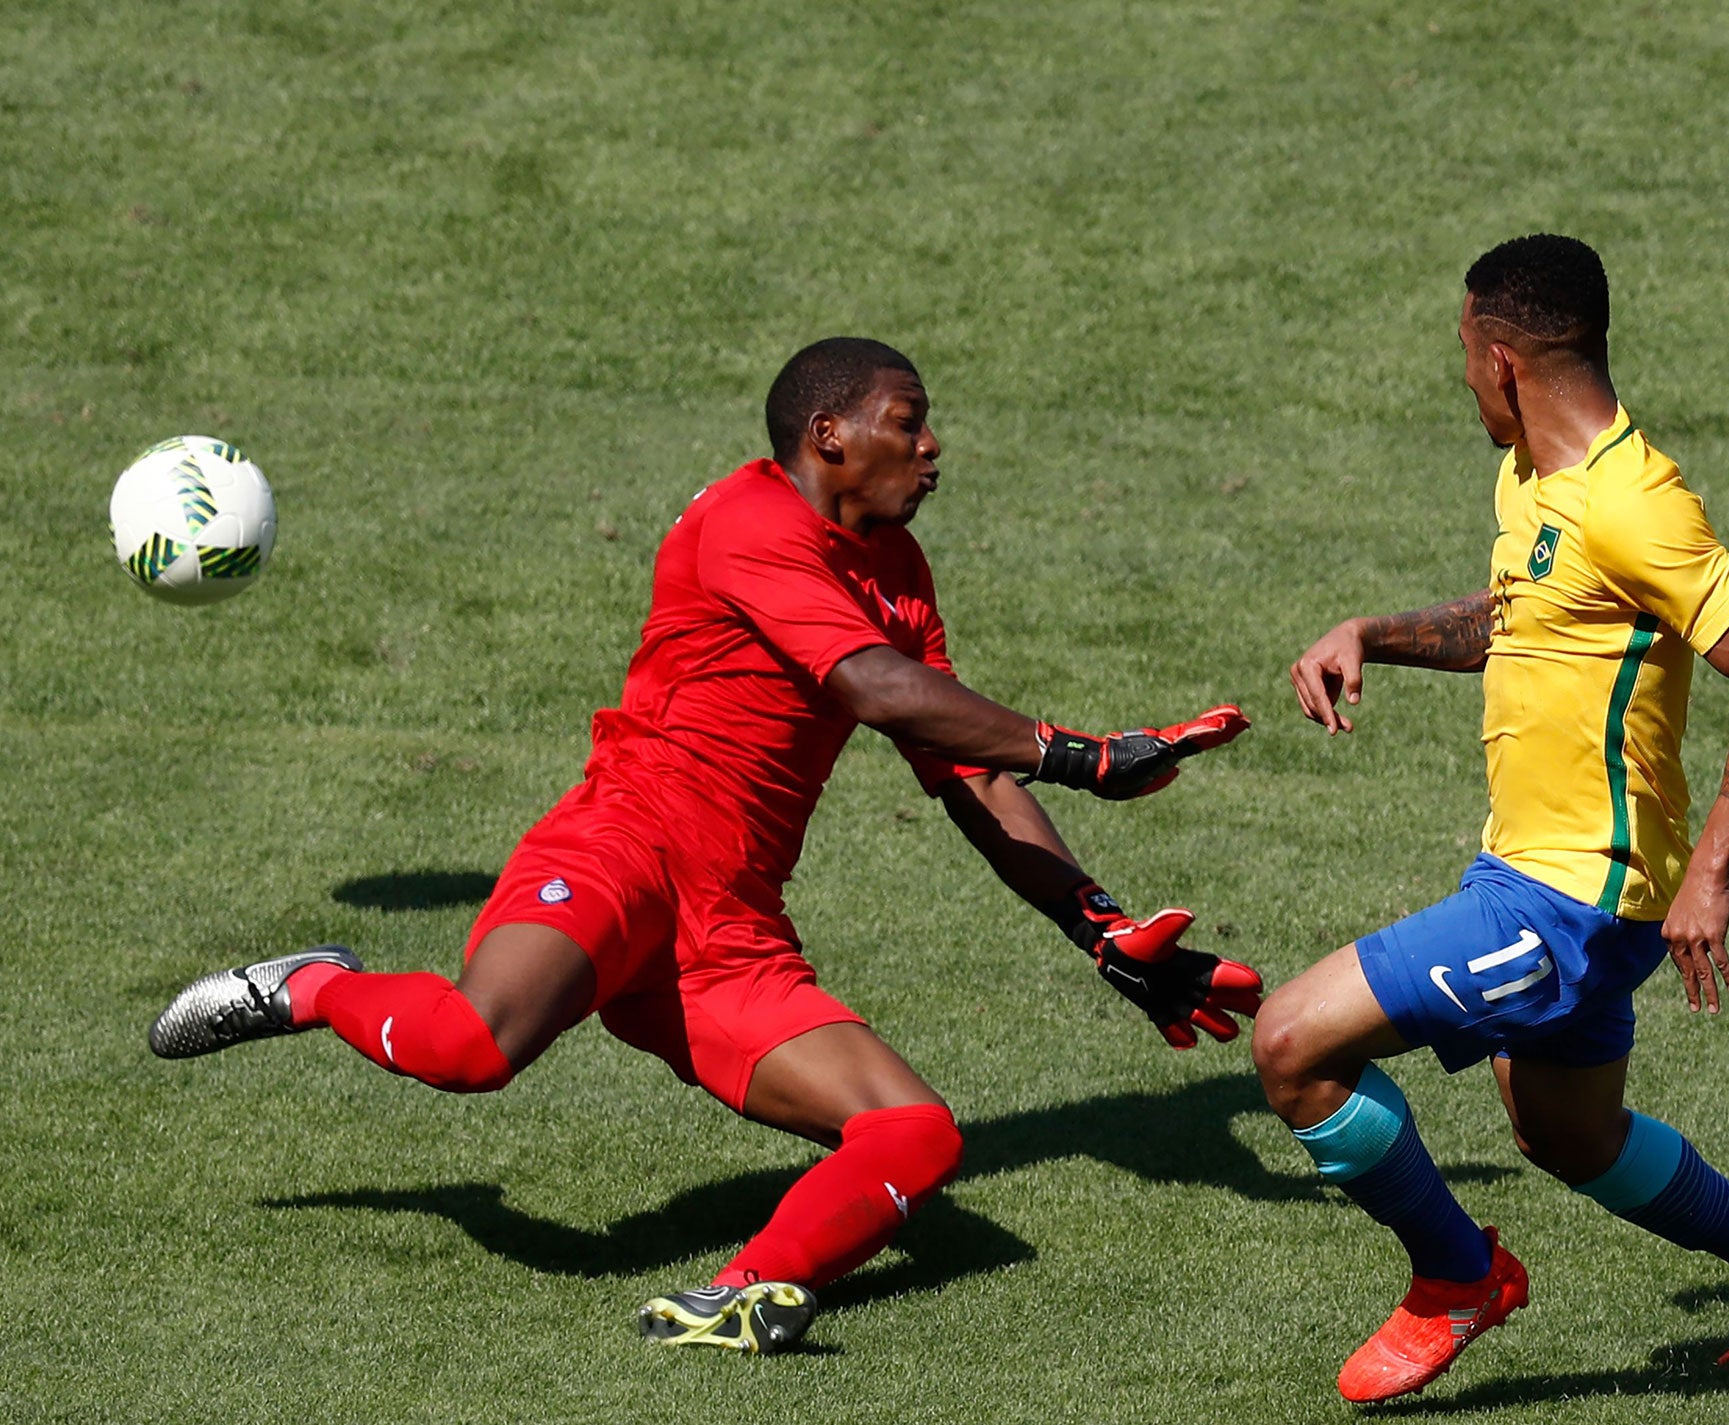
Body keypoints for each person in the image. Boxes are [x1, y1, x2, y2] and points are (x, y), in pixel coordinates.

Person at [152, 337, 1262, 1355]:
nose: (931, 447)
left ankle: (741, 1295)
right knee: (474, 1052)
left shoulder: (898, 575)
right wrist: (1084, 754)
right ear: (829, 436)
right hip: (619, 853)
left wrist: (1098, 925)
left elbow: (963, 769)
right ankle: (307, 989)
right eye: (905, 421)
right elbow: (874, 689)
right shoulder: (746, 522)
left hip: (728, 927)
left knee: (914, 1134)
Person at [1255, 236, 1729, 1405]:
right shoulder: (1533, 480)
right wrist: (1373, 633)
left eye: (1460, 356)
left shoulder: (1632, 503)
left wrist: (1711, 875)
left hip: (1570, 899)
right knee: (1566, 1138)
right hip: (1547, 879)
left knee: (1291, 1044)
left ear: (1500, 362)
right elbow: (1521, 616)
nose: (1460, 382)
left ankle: (1457, 1278)